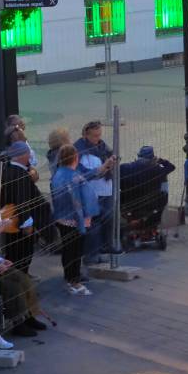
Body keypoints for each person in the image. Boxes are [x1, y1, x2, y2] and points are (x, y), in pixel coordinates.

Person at [0, 141, 50, 275]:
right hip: (19, 223)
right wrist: (27, 223)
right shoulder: (20, 175)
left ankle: (18, 279)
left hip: (11, 222)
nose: (30, 156)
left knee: (13, 254)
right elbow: (22, 201)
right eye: (28, 153)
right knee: (22, 255)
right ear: (22, 155)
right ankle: (20, 281)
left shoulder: (8, 170)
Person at [52, 145, 96, 296]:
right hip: (74, 221)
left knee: (68, 251)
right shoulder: (72, 177)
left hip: (61, 219)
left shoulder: (58, 174)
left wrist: (103, 167)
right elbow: (76, 203)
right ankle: (74, 281)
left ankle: (69, 277)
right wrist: (83, 225)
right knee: (75, 252)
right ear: (75, 158)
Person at [75, 122, 118, 265]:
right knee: (93, 225)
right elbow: (83, 173)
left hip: (106, 189)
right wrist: (102, 168)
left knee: (107, 219)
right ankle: (90, 255)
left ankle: (101, 249)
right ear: (86, 135)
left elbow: (111, 158)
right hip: (91, 193)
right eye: (95, 136)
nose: (98, 138)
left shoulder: (102, 146)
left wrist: (113, 161)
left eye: (99, 135)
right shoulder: (79, 150)